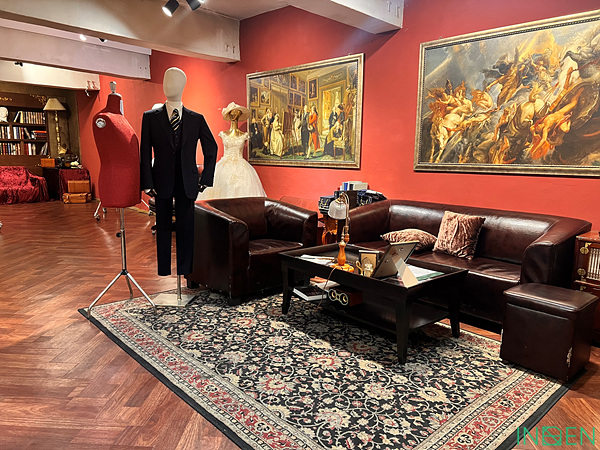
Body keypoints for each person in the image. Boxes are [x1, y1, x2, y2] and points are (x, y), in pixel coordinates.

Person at [139, 67, 217, 277]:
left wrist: (205, 178)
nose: (167, 85)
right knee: (163, 228)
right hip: (160, 181)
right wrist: (147, 182)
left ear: (182, 86)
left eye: (173, 81)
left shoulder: (196, 119)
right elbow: (145, 151)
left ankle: (185, 270)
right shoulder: (150, 118)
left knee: (186, 228)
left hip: (188, 181)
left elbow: (211, 148)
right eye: (166, 80)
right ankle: (164, 270)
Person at [198, 102, 266, 199]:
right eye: (232, 112)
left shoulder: (244, 135)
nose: (234, 115)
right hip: (224, 166)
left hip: (241, 167)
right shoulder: (223, 134)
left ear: (240, 115)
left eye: (237, 113)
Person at [93, 81, 140, 208]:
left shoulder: (121, 118)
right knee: (119, 202)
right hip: (115, 176)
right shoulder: (103, 118)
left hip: (131, 176)